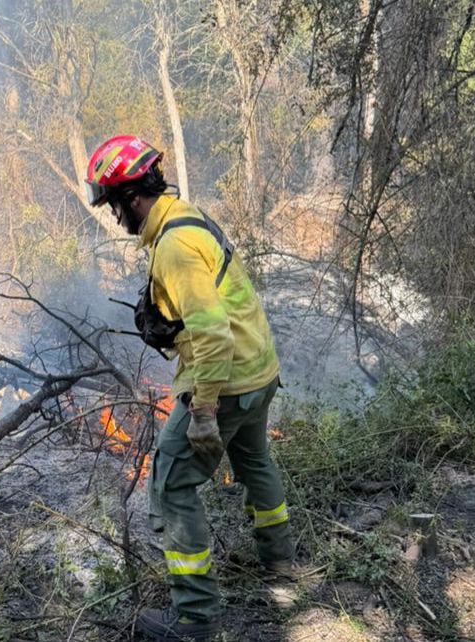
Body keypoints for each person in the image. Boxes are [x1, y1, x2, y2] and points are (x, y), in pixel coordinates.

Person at [86, 135, 295, 641]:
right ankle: (283, 567)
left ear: (131, 197)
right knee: (255, 462)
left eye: (114, 204)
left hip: (226, 381)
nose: (115, 216)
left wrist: (202, 412)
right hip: (259, 371)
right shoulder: (185, 217)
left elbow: (213, 332)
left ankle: (196, 620)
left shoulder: (174, 247)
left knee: (171, 484)